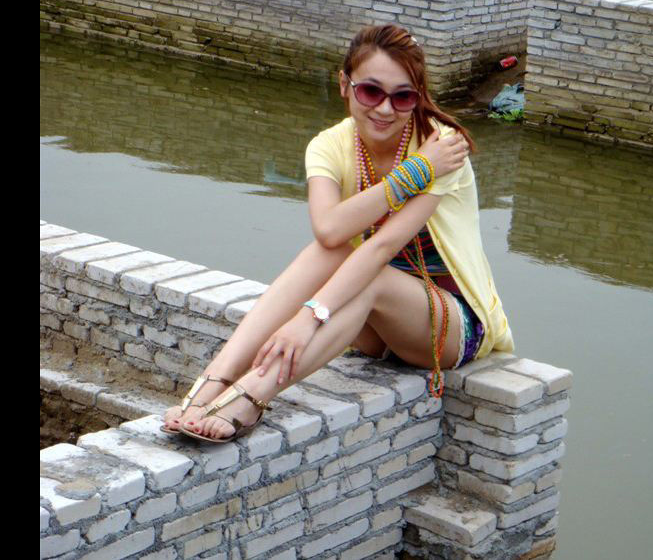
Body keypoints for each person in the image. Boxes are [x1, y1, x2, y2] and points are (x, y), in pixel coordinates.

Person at [162, 23, 514, 443]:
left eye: (402, 97)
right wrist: (414, 173)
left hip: (449, 325)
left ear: (418, 97)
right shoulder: (332, 145)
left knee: (372, 276)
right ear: (345, 84)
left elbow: (383, 246)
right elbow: (329, 230)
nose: (385, 109)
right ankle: (213, 382)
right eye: (371, 91)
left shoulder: (442, 147)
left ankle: (253, 394)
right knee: (325, 252)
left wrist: (307, 319)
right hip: (373, 326)